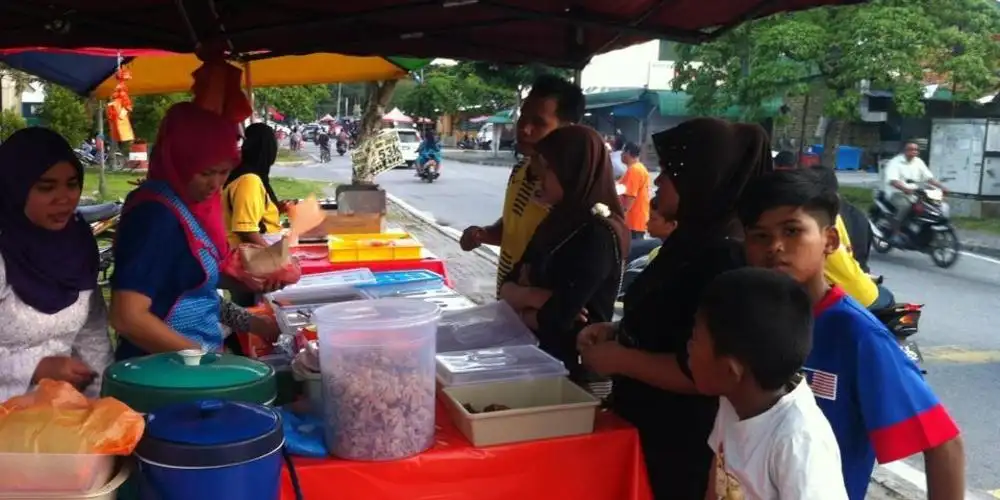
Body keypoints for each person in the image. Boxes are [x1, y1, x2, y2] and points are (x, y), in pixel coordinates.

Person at [737, 168, 965, 500]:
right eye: (759, 236)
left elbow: (944, 444)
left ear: (829, 241)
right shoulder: (746, 316)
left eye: (791, 231)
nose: (775, 247)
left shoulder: (857, 334)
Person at [576, 118, 773, 500]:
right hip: (644, 421)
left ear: (702, 179)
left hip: (683, 441)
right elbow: (668, 319)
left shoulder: (726, 258)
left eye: (670, 172)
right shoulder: (688, 240)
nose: (660, 180)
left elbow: (705, 370)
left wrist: (619, 359)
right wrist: (619, 333)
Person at [110, 102, 274, 360]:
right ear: (177, 160)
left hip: (193, 364)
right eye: (206, 173)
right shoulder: (154, 217)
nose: (215, 184)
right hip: (162, 374)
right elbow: (128, 317)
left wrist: (255, 324)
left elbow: (197, 292)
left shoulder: (191, 207)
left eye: (224, 172)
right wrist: (203, 359)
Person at [689, 268, 848, 500]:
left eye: (695, 339)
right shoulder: (733, 401)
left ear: (730, 371)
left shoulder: (798, 442)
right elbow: (719, 476)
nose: (688, 348)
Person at [498, 125, 629, 382]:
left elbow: (562, 320)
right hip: (535, 362)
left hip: (572, 375)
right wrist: (532, 296)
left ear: (572, 171)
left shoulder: (598, 233)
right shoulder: (557, 220)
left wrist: (520, 302)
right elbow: (507, 284)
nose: (540, 177)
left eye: (548, 168)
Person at [0, 128, 112, 401]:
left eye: (72, 184)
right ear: (14, 187)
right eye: (46, 187)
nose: (64, 198)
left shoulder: (78, 244)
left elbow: (92, 334)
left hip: (55, 417)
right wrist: (34, 367)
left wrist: (102, 400)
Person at [460, 75, 585, 295]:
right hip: (508, 303)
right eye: (522, 118)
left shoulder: (571, 188)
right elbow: (514, 225)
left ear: (569, 130)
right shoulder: (520, 169)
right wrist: (484, 234)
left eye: (538, 123)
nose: (524, 129)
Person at [223, 123, 285, 312]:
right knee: (250, 313)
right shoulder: (249, 180)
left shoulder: (248, 176)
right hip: (250, 262)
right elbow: (246, 228)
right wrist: (275, 261)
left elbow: (250, 214)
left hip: (252, 259)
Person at [882, 142, 948, 241]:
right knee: (905, 206)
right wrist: (904, 188)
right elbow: (893, 181)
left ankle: (920, 231)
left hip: (914, 193)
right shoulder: (895, 162)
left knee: (930, 206)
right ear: (905, 151)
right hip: (896, 193)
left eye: (916, 150)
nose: (914, 152)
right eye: (911, 149)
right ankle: (895, 232)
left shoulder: (918, 162)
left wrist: (942, 187)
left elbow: (929, 178)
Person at [619, 142, 651, 240]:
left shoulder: (634, 170)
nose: (620, 154)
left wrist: (622, 215)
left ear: (628, 152)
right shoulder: (638, 168)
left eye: (622, 152)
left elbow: (630, 196)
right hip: (636, 221)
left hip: (633, 222)